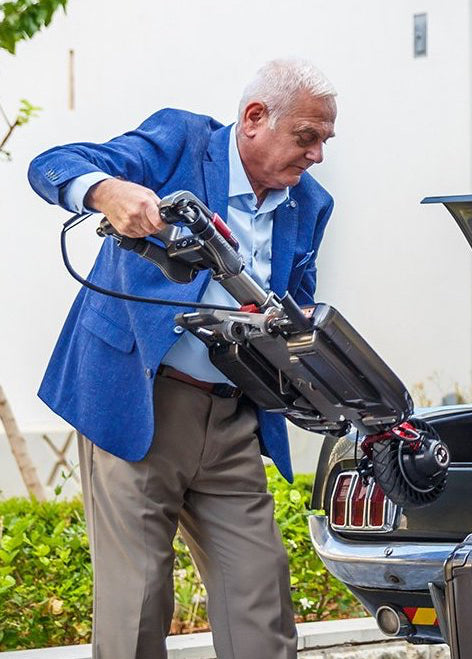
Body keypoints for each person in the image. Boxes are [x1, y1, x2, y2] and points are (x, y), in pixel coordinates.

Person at [28, 58, 337, 659]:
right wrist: (106, 190)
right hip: (138, 400)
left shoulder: (310, 204)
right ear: (254, 119)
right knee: (137, 609)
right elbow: (52, 165)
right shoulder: (180, 141)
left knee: (261, 603)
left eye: (325, 140)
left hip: (231, 419)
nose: (317, 155)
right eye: (307, 137)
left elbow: (297, 311)